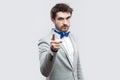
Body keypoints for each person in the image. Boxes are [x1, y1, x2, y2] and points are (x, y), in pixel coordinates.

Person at [38, 3, 83, 80]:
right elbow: (44, 71)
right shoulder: (45, 41)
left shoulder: (72, 37)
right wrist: (52, 51)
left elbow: (77, 66)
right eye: (61, 19)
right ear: (53, 20)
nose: (65, 22)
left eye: (68, 18)